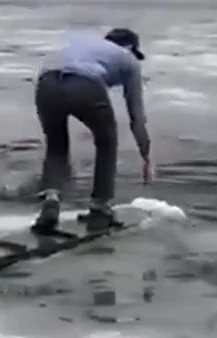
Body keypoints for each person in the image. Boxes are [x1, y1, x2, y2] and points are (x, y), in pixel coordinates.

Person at [31, 27, 152, 234]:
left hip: (47, 82)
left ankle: (51, 201)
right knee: (107, 141)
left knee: (56, 145)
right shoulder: (128, 58)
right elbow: (136, 115)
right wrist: (146, 155)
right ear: (131, 47)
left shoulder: (78, 47)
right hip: (85, 84)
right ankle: (99, 207)